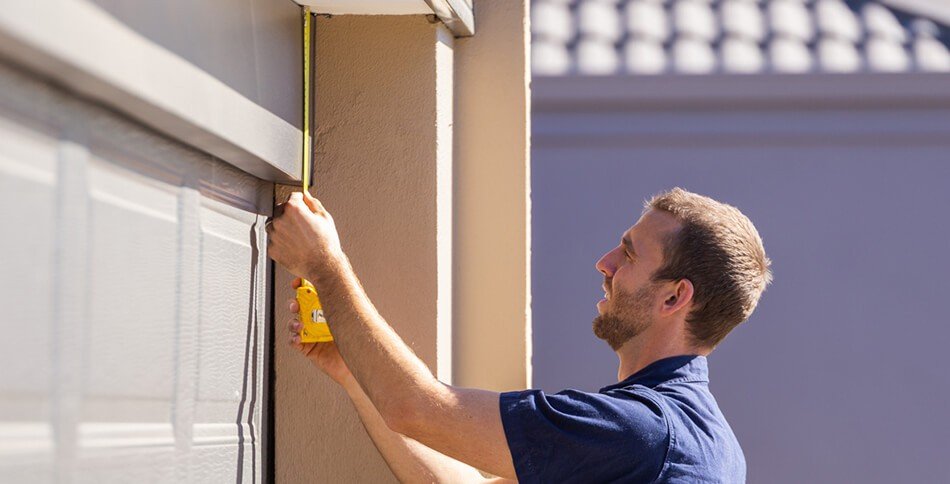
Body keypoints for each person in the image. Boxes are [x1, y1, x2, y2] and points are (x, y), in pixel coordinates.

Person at [266, 187, 771, 483]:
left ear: (673, 298)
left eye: (630, 255)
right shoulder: (711, 444)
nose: (606, 264)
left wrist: (324, 264)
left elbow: (418, 408)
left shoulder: (640, 433)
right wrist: (354, 373)